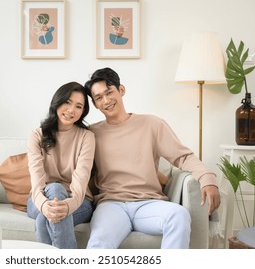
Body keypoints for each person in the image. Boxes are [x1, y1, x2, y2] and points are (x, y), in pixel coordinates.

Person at [84, 67, 221, 249]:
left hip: (148, 203)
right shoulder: (91, 133)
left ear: (121, 90)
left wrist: (207, 178)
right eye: (99, 98)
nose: (106, 100)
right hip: (111, 204)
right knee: (99, 242)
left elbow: (183, 157)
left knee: (179, 215)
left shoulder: (152, 124)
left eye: (109, 92)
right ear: (94, 104)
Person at [26, 81, 95, 249]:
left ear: (83, 112)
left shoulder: (87, 137)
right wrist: (44, 205)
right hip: (39, 199)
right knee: (55, 190)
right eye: (67, 102)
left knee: (45, 218)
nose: (71, 110)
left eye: (79, 106)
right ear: (57, 102)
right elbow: (37, 182)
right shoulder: (36, 135)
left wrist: (65, 207)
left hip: (78, 201)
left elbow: (81, 178)